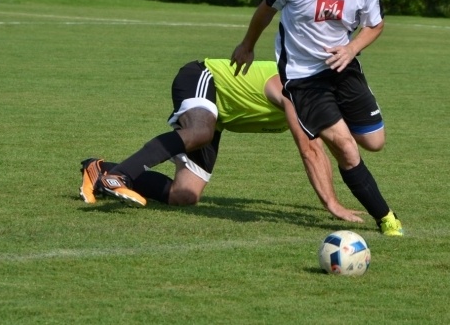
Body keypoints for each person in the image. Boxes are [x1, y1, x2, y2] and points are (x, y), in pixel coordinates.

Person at [230, 0, 403, 237]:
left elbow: (375, 24)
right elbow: (265, 10)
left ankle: (332, 124)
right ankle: (387, 219)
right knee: (347, 147)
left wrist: (351, 48)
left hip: (343, 67)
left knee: (374, 141)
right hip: (302, 77)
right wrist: (247, 45)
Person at [80, 58, 364, 224]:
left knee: (184, 195)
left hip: (218, 117)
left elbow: (331, 148)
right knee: (200, 132)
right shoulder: (294, 89)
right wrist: (332, 203)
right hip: (203, 77)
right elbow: (311, 150)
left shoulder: (318, 110)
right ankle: (120, 176)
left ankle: (100, 169)